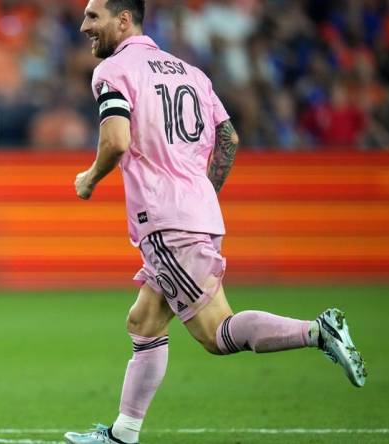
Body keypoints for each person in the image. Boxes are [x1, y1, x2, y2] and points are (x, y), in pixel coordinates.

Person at [65, 2, 367, 443]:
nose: (83, 25)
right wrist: (201, 196)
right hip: (193, 213)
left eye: (94, 17)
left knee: (216, 334)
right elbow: (229, 137)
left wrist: (89, 178)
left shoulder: (113, 71)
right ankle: (122, 434)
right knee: (144, 321)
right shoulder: (191, 73)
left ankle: (319, 331)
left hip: (165, 221)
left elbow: (116, 140)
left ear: (124, 19)